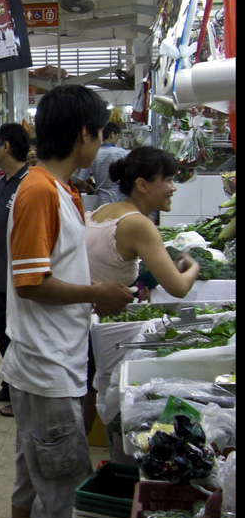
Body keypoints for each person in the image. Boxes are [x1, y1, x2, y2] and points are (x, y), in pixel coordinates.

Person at [2, 84, 134, 518]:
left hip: (45, 360)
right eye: (100, 134)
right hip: (47, 366)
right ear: (85, 133)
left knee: (32, 484)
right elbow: (31, 282)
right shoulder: (39, 190)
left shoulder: (60, 189)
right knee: (63, 504)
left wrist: (90, 295)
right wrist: (96, 291)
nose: (101, 144)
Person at [86, 145, 201, 456]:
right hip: (98, 331)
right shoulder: (139, 223)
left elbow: (109, 264)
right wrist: (194, 267)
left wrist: (141, 280)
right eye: (168, 179)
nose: (174, 187)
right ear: (142, 185)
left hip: (83, 325)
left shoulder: (101, 212)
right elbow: (178, 288)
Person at [0, 123, 30, 417]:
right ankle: (9, 384)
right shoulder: (5, 182)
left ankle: (22, 394)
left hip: (18, 275)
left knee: (18, 335)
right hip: (1, 273)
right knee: (3, 332)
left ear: (7, 147)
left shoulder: (28, 182)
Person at [73, 122, 128, 205]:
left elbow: (79, 180)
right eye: (117, 137)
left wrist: (90, 189)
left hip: (102, 202)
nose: (117, 140)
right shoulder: (122, 153)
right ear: (112, 135)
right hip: (121, 202)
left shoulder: (94, 154)